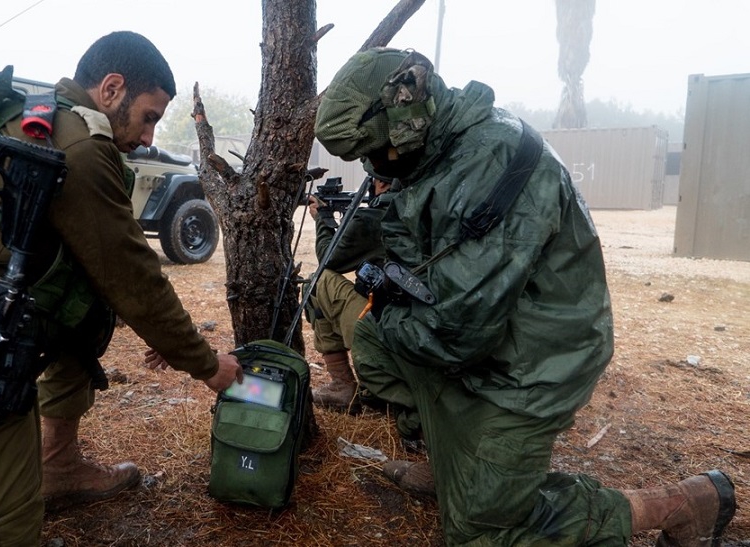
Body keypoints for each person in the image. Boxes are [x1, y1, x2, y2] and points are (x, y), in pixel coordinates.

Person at [313, 47, 735, 546]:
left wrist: (383, 308)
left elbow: (454, 334)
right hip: (493, 337)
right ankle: (454, 468)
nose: (373, 163)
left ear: (406, 111)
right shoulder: (443, 147)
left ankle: (678, 504)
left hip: (533, 363)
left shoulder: (486, 162)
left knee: (480, 532)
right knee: (377, 346)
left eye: (377, 151)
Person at [0, 31, 242, 546]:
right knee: (1, 533)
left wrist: (164, 339)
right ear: (112, 88)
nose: (147, 138)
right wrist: (206, 364)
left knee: (90, 310)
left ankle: (58, 464)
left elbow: (105, 279)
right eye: (149, 116)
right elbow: (135, 276)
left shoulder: (43, 113)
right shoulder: (81, 148)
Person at [305, 176, 391, 412]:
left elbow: (329, 259)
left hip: (387, 327)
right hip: (411, 325)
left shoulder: (378, 216)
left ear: (382, 184)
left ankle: (343, 385)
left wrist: (323, 220)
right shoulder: (427, 205)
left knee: (317, 282)